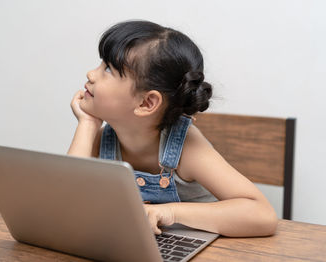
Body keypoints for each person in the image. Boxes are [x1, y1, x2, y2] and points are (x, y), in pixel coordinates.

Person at [67, 20, 278, 237]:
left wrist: (170, 212)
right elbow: (66, 206)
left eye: (108, 69)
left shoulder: (186, 147)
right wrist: (87, 124)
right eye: (101, 64)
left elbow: (262, 215)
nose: (91, 74)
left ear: (146, 103)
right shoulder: (101, 139)